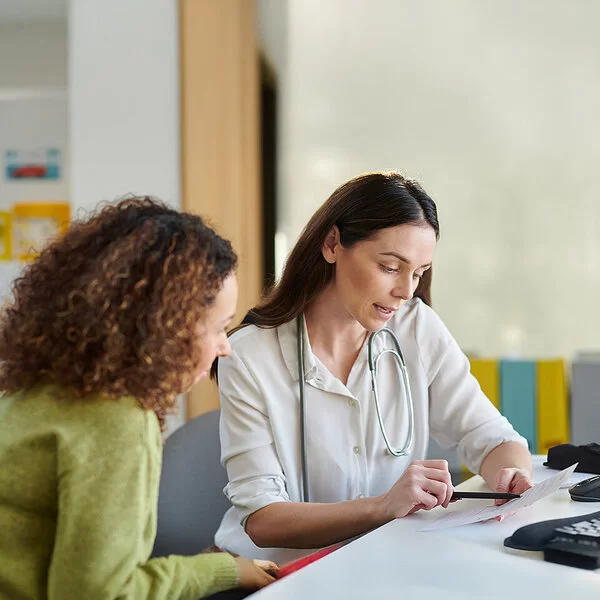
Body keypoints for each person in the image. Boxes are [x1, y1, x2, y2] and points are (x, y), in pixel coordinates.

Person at [213, 171, 533, 564]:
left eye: (418, 273)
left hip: (378, 564)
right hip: (275, 574)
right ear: (332, 244)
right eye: (390, 267)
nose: (406, 291)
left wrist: (512, 474)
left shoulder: (417, 327)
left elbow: (493, 437)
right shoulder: (249, 355)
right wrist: (384, 506)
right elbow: (262, 521)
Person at [0, 197, 277, 599]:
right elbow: (98, 594)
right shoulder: (118, 420)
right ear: (162, 327)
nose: (225, 347)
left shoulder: (34, 389)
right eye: (219, 327)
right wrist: (220, 570)